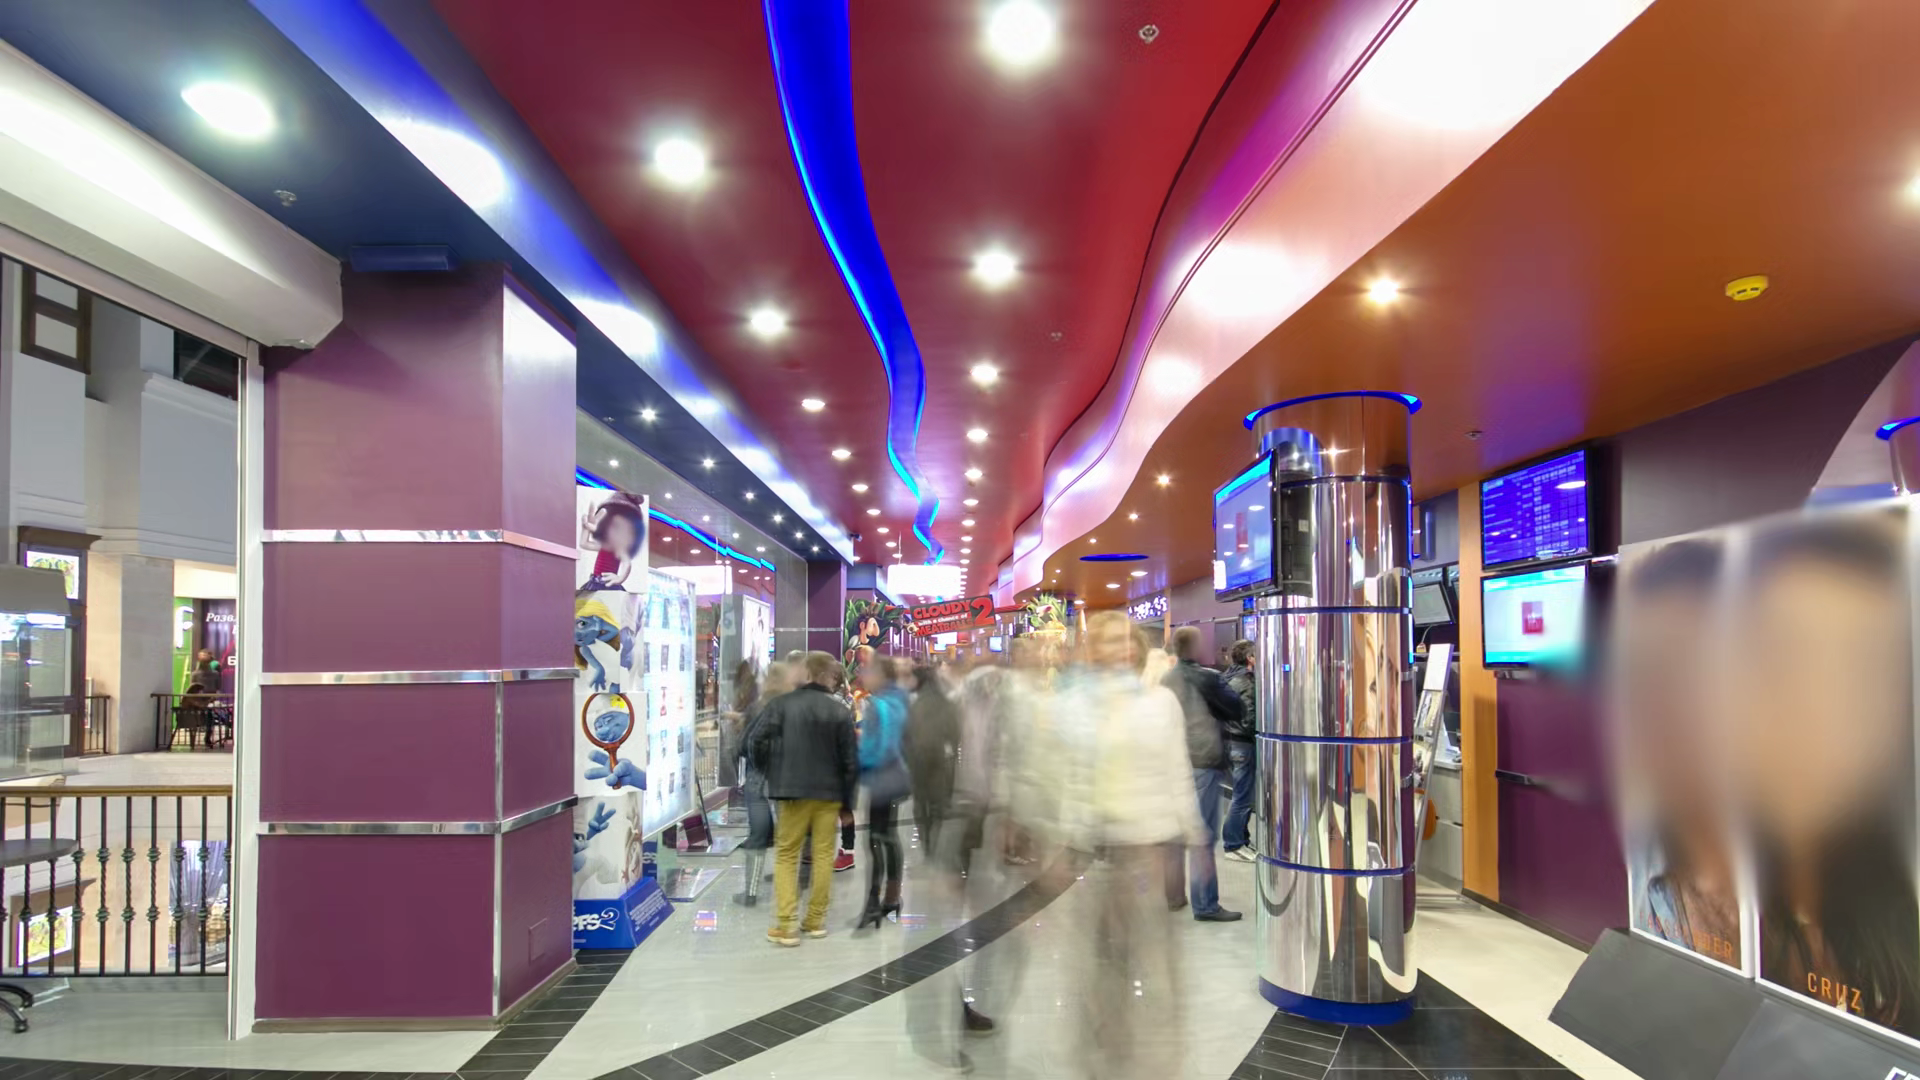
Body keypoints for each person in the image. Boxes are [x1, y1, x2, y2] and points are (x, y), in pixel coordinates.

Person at [1061, 612, 1203, 1078]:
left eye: (1123, 640)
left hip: (1147, 849)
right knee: (1101, 963)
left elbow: (1177, 771)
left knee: (1155, 964)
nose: (1116, 649)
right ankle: (1104, 1054)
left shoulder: (1160, 703)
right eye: (1104, 641)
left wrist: (1195, 839)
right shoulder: (1079, 706)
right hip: (1095, 853)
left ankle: (1156, 1064)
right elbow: (1072, 778)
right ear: (1092, 650)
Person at [751, 652, 858, 946]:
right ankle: (815, 921)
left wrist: (771, 770)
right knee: (823, 855)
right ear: (828, 677)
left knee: (787, 854)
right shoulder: (840, 711)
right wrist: (848, 803)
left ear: (808, 674)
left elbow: (756, 741)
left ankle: (787, 926)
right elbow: (850, 761)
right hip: (829, 794)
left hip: (791, 792)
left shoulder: (782, 705)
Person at [1162, 625, 1244, 922]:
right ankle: (1206, 904)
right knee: (1202, 836)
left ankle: (1174, 896)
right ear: (1195, 648)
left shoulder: (1165, 680)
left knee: (1174, 834)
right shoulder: (1207, 678)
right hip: (1202, 762)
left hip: (1173, 763)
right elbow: (1237, 709)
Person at [735, 661, 797, 907]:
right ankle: (787, 888)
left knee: (758, 834)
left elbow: (746, 742)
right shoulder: (794, 707)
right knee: (788, 834)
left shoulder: (758, 706)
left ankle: (750, 892)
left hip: (758, 778)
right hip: (787, 780)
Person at [856, 656, 911, 928]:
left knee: (876, 839)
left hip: (882, 777)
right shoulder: (901, 699)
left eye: (869, 672)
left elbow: (877, 748)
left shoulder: (878, 704)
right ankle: (892, 897)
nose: (865, 677)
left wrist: (858, 759)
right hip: (898, 775)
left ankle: (874, 901)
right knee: (888, 836)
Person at [904, 663, 961, 861]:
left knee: (921, 804)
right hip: (940, 760)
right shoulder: (946, 703)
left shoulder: (913, 704)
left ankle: (926, 845)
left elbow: (905, 735)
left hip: (917, 761)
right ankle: (935, 847)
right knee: (938, 805)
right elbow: (955, 733)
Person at [1221, 639, 1258, 863]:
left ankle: (1241, 840)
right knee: (1243, 797)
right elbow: (1249, 719)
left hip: (1230, 741)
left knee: (1241, 794)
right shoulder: (1246, 682)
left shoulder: (1227, 677)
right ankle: (1233, 844)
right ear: (1250, 658)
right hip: (1243, 744)